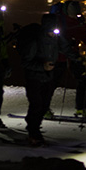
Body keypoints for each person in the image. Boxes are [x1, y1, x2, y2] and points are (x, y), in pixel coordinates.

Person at [19, 14, 74, 147]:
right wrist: (42, 67)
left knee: (44, 105)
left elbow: (66, 49)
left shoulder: (55, 39)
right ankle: (34, 132)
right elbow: (25, 62)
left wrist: (79, 59)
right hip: (34, 78)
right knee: (36, 105)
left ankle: (34, 128)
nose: (54, 34)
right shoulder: (35, 42)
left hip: (48, 78)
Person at [58, 0, 86, 118]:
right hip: (66, 55)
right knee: (82, 79)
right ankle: (81, 108)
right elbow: (84, 37)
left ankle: (81, 108)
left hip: (64, 56)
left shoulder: (62, 20)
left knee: (81, 79)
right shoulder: (77, 22)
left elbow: (84, 37)